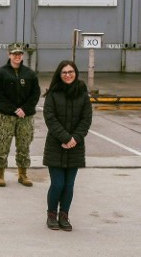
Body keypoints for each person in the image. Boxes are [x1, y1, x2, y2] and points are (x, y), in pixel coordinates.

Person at [43, 60, 92, 231]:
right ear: (59, 74)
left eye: (71, 71)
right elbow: (50, 118)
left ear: (76, 73)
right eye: (64, 72)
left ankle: (64, 215)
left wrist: (74, 139)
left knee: (69, 185)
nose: (68, 75)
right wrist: (64, 138)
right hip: (56, 146)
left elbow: (86, 120)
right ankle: (51, 215)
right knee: (57, 184)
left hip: (75, 147)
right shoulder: (53, 94)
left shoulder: (83, 94)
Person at [0, 43, 41, 187]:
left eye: (19, 54)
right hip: (5, 116)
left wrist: (24, 109)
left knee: (24, 145)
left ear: (23, 56)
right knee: (2, 144)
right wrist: (14, 109)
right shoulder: (1, 73)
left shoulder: (30, 74)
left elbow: (35, 94)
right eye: (14, 54)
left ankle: (23, 174)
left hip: (25, 117)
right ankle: (0, 174)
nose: (17, 56)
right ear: (9, 55)